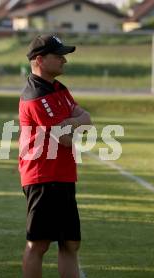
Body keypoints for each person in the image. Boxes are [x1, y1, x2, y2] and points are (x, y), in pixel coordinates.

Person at [18, 34, 92, 278]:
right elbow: (64, 138)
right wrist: (75, 123)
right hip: (42, 177)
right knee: (38, 243)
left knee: (70, 242)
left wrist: (70, 122)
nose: (64, 60)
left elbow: (87, 120)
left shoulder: (59, 89)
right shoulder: (35, 95)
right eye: (58, 56)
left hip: (63, 173)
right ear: (39, 59)